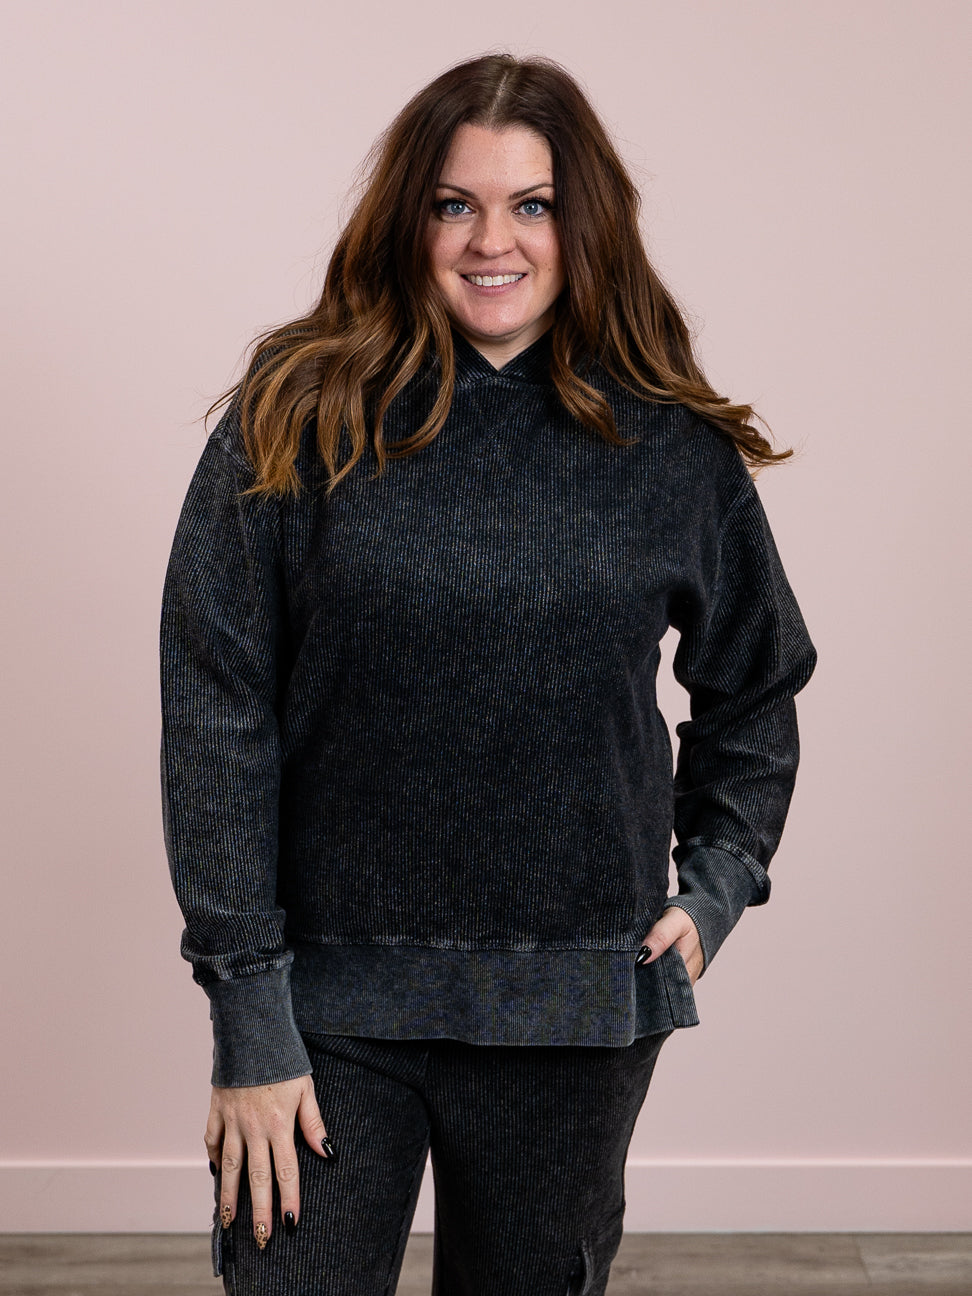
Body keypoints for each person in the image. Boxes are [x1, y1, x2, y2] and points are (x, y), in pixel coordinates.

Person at [160, 52, 816, 1296]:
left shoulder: (668, 447)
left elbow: (757, 684)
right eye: (455, 203)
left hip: (574, 1007)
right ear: (409, 219)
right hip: (325, 1003)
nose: (490, 241)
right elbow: (215, 710)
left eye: (533, 205)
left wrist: (720, 882)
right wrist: (246, 1009)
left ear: (585, 224)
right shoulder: (295, 414)